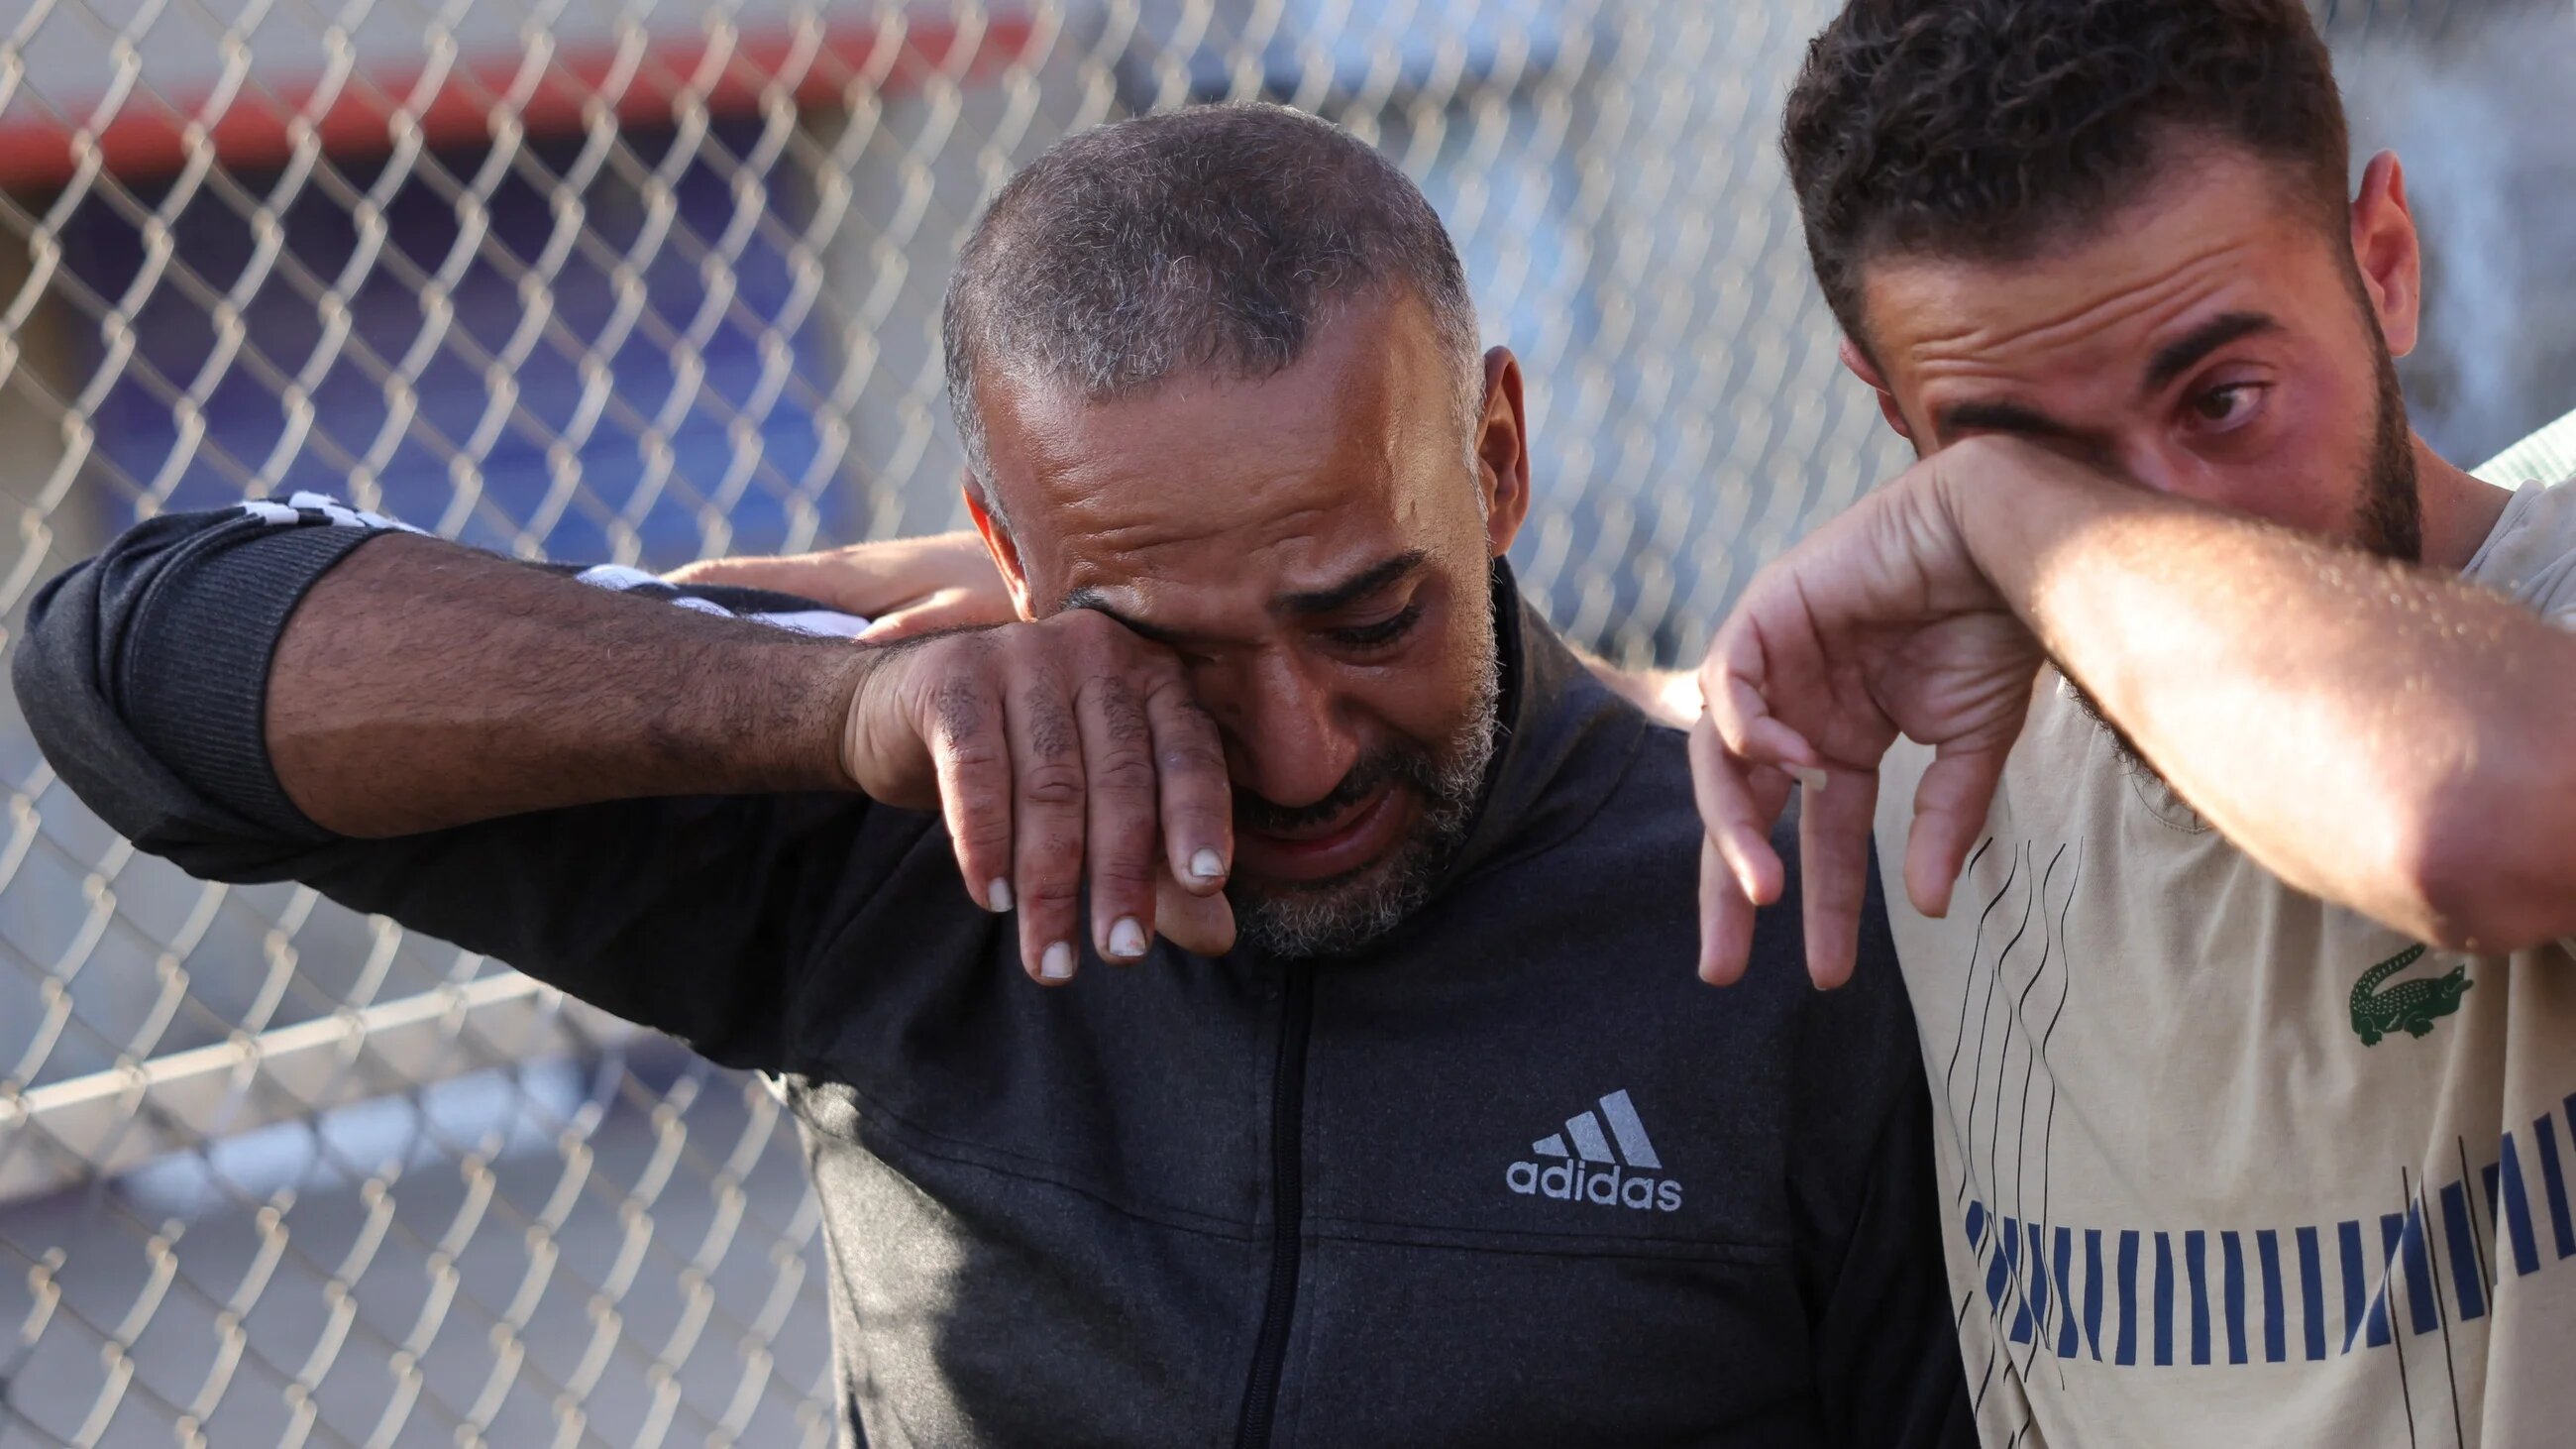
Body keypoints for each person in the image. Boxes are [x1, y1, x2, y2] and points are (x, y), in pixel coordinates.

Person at [16, 104, 1973, 1447]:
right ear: (1004, 548)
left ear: (1499, 453)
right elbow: (128, 662)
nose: (1295, 751)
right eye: (1167, 652)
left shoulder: (1770, 893)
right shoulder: (899, 808)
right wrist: (833, 715)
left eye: (1370, 612)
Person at [1685, 2, 2576, 1444]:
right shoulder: (1923, 767)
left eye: (2222, 398)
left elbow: (2473, 812)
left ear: (2387, 266)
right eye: (2022, 451)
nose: (2155, 521)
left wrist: (2000, 495)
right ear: (1892, 419)